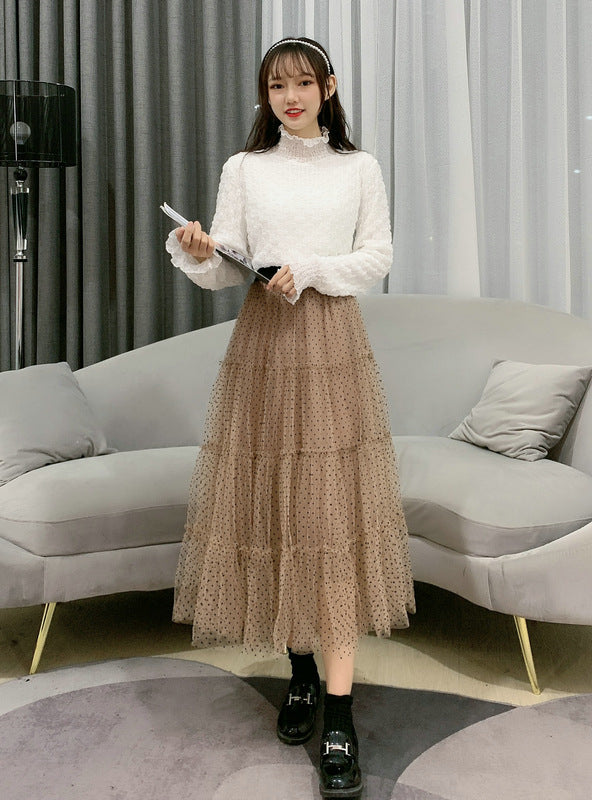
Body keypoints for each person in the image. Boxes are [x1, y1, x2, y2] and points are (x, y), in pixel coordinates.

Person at [165, 36, 415, 799]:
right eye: (277, 86)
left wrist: (307, 269)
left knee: (329, 521)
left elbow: (377, 257)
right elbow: (224, 266)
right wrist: (198, 248)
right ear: (265, 95)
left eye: (304, 83)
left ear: (328, 87)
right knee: (277, 513)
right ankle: (300, 674)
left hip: (332, 344)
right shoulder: (244, 169)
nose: (291, 97)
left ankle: (338, 713)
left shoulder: (358, 167)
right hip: (264, 347)